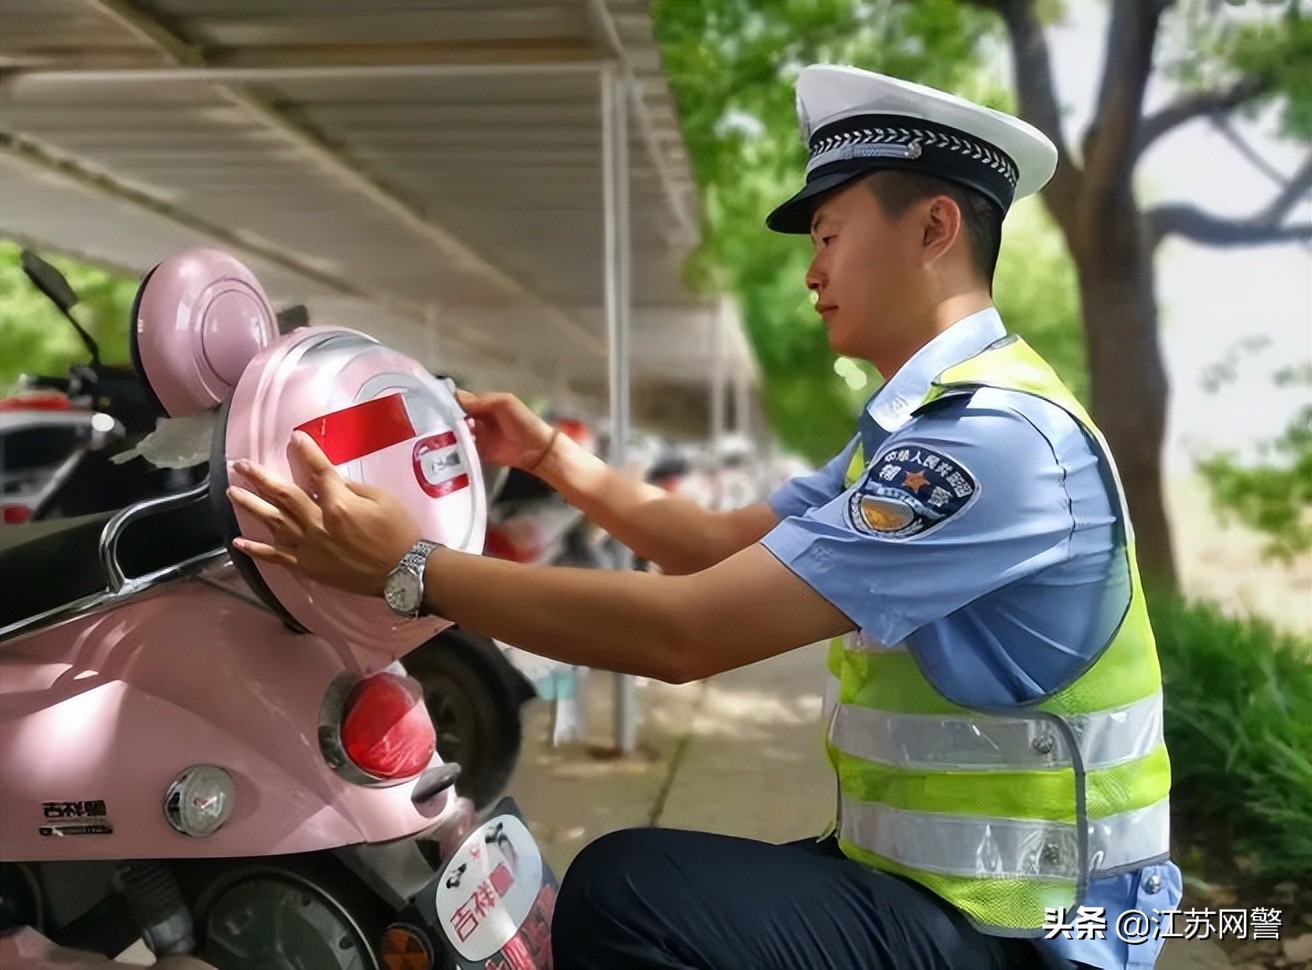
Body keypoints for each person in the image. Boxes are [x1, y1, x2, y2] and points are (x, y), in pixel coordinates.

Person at [228, 66, 1181, 970]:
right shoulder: (919, 432)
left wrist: (411, 567)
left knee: (625, 891)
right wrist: (552, 457)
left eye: (829, 232)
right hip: (951, 894)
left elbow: (689, 634)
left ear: (934, 228)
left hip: (1031, 931)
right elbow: (714, 547)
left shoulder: (989, 446)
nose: (813, 271)